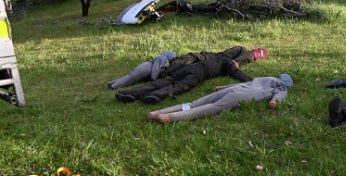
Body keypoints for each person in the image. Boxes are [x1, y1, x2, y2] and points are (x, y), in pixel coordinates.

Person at [148, 74, 293, 124]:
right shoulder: (282, 86)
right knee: (214, 107)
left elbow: (244, 83)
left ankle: (158, 112)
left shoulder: (265, 78)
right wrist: (274, 101)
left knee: (196, 103)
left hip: (238, 89)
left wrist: (224, 87)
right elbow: (280, 94)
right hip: (246, 95)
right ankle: (170, 117)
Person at [108, 46, 267, 89]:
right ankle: (114, 84)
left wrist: (239, 62)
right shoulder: (164, 60)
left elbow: (237, 53)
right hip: (194, 62)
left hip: (196, 62)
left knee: (134, 76)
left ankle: (115, 84)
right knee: (133, 77)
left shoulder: (168, 59)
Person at [115, 54, 251, 104]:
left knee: (164, 81)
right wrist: (250, 80)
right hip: (199, 74)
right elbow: (236, 73)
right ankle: (154, 96)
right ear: (235, 62)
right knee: (178, 86)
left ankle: (129, 93)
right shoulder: (228, 63)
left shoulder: (218, 57)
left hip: (188, 68)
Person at [108, 50, 177, 90]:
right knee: (130, 78)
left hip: (144, 67)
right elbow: (156, 69)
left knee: (129, 76)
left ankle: (111, 83)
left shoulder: (162, 57)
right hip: (145, 69)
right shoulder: (162, 58)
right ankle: (114, 87)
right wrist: (153, 79)